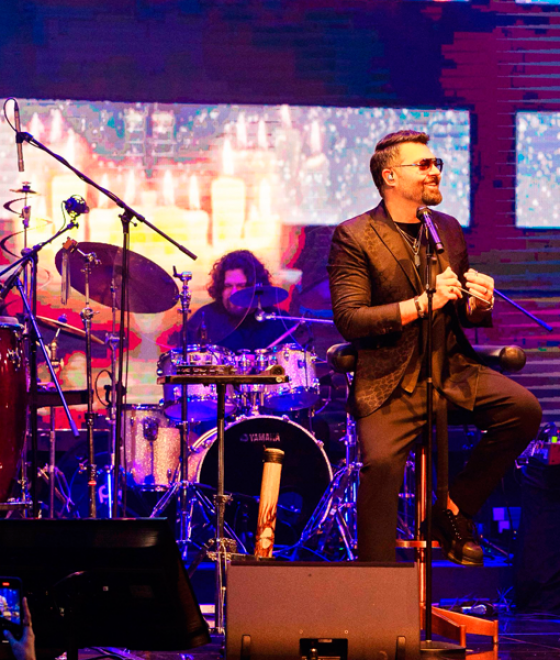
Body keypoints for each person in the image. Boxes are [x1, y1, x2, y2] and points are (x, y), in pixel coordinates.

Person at [327, 130, 542, 565]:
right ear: (390, 176)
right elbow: (351, 318)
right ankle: (375, 584)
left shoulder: (446, 228)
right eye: (423, 164)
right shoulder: (355, 235)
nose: (434, 171)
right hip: (390, 380)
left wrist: (478, 303)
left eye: (436, 163)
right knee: (381, 467)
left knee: (523, 411)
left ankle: (451, 512)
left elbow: (460, 310)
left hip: (451, 369)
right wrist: (423, 303)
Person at [187, 250, 294, 352]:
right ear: (220, 288)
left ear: (256, 287)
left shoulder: (278, 321)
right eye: (228, 286)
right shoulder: (203, 318)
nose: (234, 292)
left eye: (241, 286)